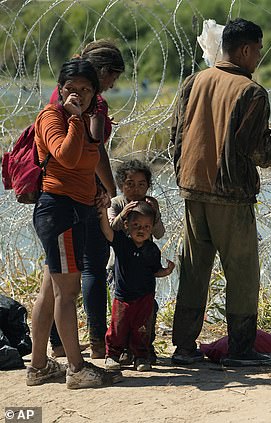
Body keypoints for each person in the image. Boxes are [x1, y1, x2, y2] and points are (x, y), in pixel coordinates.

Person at [170, 18, 271, 366]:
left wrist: (183, 176)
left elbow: (176, 136)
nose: (259, 57)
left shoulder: (194, 82)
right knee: (242, 274)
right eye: (259, 50)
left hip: (192, 189)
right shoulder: (250, 92)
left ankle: (184, 347)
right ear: (247, 50)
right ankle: (240, 350)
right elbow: (259, 151)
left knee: (193, 271)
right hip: (230, 193)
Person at [27, 58, 119, 389]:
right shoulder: (52, 117)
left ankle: (38, 367)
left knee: (51, 290)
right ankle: (77, 369)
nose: (78, 95)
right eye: (71, 89)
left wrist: (103, 193)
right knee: (67, 293)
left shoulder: (90, 119)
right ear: (60, 90)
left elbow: (89, 160)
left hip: (75, 209)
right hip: (59, 211)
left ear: (95, 92)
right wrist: (76, 118)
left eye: (85, 89)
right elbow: (65, 155)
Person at [49, 39, 125, 360]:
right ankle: (97, 343)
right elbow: (96, 149)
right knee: (94, 262)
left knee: (55, 273)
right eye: (113, 78)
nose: (112, 85)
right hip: (84, 189)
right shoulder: (94, 103)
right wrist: (111, 191)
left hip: (54, 190)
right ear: (103, 72)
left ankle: (56, 344)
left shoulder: (60, 95)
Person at [98, 201, 174, 372]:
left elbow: (155, 271)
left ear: (152, 228)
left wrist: (167, 271)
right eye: (136, 225)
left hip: (145, 298)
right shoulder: (122, 243)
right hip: (123, 297)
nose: (141, 230)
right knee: (118, 328)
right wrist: (104, 210)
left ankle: (140, 357)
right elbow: (107, 231)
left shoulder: (152, 250)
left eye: (147, 226)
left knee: (142, 329)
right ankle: (112, 356)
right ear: (127, 225)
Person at [108, 159, 165, 364]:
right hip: (120, 268)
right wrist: (123, 215)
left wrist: (155, 212)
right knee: (123, 311)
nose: (136, 189)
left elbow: (159, 233)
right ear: (121, 185)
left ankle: (144, 347)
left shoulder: (149, 204)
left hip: (144, 267)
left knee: (148, 308)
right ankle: (121, 349)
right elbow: (110, 230)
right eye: (130, 184)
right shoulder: (116, 203)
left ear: (148, 186)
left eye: (142, 184)